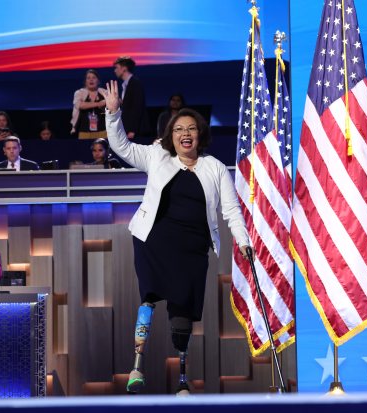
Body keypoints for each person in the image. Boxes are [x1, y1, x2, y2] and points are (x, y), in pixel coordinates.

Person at [104, 80, 251, 395]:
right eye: (179, 129)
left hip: (193, 248)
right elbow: (122, 148)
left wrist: (243, 240)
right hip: (154, 240)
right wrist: (113, 114)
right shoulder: (157, 156)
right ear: (170, 135)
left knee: (183, 315)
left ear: (200, 134)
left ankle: (182, 376)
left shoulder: (215, 168)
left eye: (192, 128)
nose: (186, 133)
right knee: (150, 296)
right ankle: (137, 365)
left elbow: (231, 210)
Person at [113, 56, 148, 140]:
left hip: (135, 131)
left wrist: (133, 130)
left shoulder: (135, 83)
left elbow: (137, 107)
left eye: (116, 68)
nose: (115, 70)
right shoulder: (125, 85)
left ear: (124, 68)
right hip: (127, 129)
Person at [70, 69, 107, 140]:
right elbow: (80, 105)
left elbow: (117, 100)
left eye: (94, 77)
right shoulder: (79, 93)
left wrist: (107, 101)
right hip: (84, 132)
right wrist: (99, 103)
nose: (91, 80)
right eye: (88, 78)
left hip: (103, 131)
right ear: (85, 81)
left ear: (98, 81)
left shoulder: (103, 92)